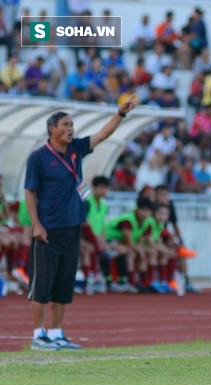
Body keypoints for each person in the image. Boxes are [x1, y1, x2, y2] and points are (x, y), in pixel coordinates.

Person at [25, 97, 138, 350]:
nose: (70, 128)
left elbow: (104, 133)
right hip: (47, 229)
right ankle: (37, 336)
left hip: (72, 227)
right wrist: (36, 224)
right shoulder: (38, 158)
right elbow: (29, 192)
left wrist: (121, 113)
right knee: (41, 284)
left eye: (72, 124)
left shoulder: (76, 149)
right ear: (51, 128)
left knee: (64, 283)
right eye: (65, 124)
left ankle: (55, 333)